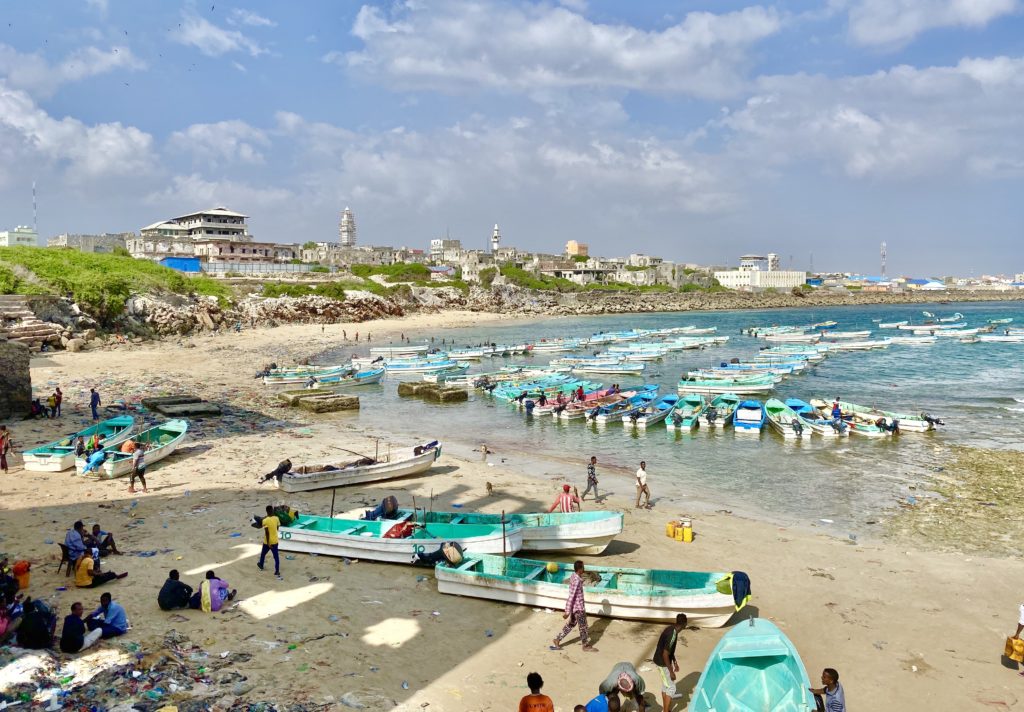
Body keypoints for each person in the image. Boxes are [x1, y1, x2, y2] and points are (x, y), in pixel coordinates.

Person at [552, 560, 596, 652]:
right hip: (578, 608)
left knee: (571, 625)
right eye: (583, 568)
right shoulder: (576, 581)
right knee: (583, 626)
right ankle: (585, 645)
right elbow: (571, 596)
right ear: (579, 569)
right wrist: (567, 611)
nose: (584, 569)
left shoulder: (574, 576)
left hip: (574, 608)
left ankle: (557, 639)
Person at [654, 613, 687, 712]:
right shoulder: (672, 634)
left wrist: (675, 662)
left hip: (660, 660)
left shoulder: (671, 629)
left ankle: (666, 709)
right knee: (672, 688)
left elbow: (669, 650)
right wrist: (671, 671)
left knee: (666, 685)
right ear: (684, 624)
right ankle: (666, 711)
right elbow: (665, 654)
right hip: (662, 662)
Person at [257, 504, 282, 580]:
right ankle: (277, 571)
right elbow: (277, 528)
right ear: (272, 511)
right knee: (276, 557)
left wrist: (268, 543)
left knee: (263, 554)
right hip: (275, 541)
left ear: (266, 511)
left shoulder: (265, 521)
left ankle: (261, 565)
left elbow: (267, 532)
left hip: (267, 542)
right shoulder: (277, 518)